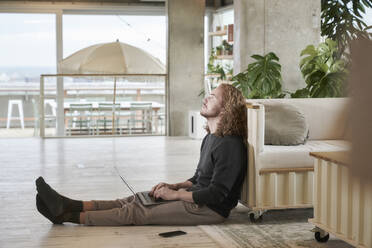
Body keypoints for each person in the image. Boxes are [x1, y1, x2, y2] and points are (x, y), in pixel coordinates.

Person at [35, 83, 248, 226]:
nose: (206, 98)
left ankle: (67, 215)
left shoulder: (230, 145)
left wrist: (175, 195)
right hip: (196, 199)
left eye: (213, 96)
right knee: (135, 198)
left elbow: (216, 194)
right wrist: (173, 186)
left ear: (225, 108)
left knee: (137, 212)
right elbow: (199, 179)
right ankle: (69, 203)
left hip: (210, 209)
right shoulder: (210, 137)